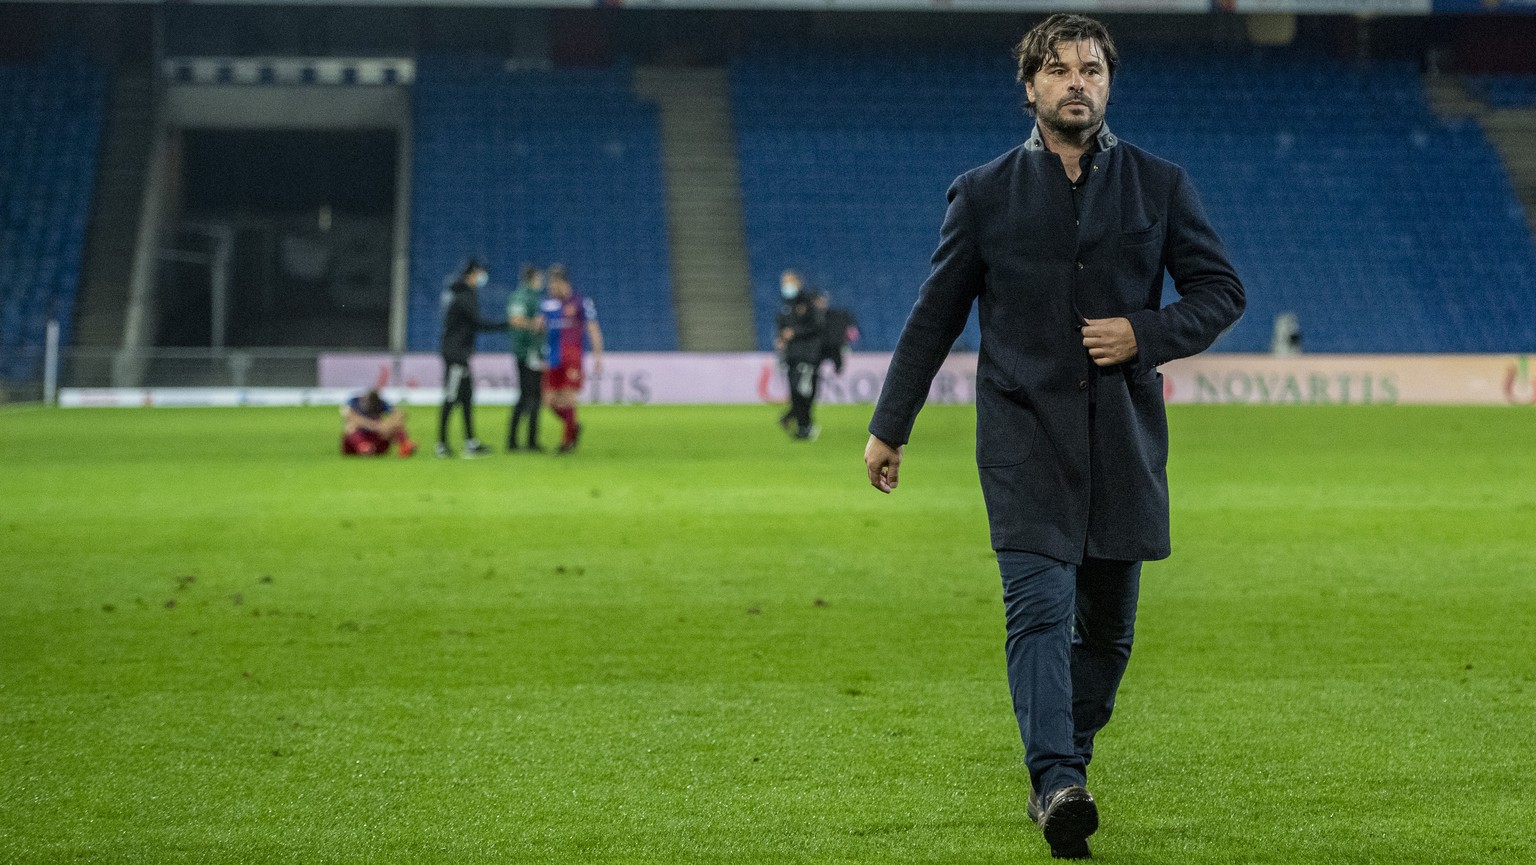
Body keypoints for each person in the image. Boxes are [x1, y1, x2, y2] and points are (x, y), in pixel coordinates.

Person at [863, 14, 1244, 860]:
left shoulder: (1160, 184)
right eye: (1060, 68)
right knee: (1038, 611)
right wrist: (890, 426)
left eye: (1093, 68)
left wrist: (1144, 331)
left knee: (1107, 634)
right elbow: (934, 319)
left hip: (1123, 442)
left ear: (1108, 83)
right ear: (1030, 87)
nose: (1079, 81)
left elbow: (1221, 292)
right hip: (1023, 438)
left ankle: (1060, 765)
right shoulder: (984, 192)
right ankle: (1058, 780)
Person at [437, 258, 505, 459]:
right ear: (473, 273)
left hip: (460, 353)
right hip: (455, 354)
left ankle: (470, 442)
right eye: (480, 273)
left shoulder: (460, 294)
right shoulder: (464, 296)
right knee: (451, 397)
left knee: (466, 397)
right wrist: (505, 325)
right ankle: (442, 444)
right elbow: (476, 322)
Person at [539, 264, 603, 454]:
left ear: (562, 282)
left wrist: (598, 355)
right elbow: (540, 327)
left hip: (572, 355)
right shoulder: (548, 303)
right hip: (552, 355)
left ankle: (566, 442)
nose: (551, 287)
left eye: (553, 283)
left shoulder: (580, 302)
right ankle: (573, 425)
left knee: (568, 397)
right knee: (548, 401)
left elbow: (592, 328)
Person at [774, 270, 825, 440]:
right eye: (784, 282)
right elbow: (781, 327)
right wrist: (781, 338)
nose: (786, 286)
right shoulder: (785, 306)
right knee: (796, 391)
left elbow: (817, 326)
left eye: (789, 282)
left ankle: (806, 425)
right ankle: (802, 426)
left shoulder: (808, 303)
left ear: (798, 283)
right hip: (791, 356)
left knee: (802, 390)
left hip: (807, 355)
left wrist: (794, 332)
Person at [506, 264, 547, 452]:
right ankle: (515, 441)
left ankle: (528, 441)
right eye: (539, 278)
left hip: (533, 352)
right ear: (531, 278)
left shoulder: (533, 297)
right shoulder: (521, 296)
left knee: (534, 396)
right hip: (526, 352)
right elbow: (515, 320)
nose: (542, 282)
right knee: (528, 396)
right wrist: (534, 325)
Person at [340, 388, 417, 457]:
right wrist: (371, 425)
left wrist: (386, 424)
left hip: (377, 437)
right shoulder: (354, 401)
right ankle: (363, 446)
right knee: (351, 426)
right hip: (358, 439)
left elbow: (400, 415)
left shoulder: (382, 403)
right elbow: (348, 415)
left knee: (395, 427)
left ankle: (405, 445)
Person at [815, 291, 859, 376]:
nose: (821, 304)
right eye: (819, 301)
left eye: (823, 301)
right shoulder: (810, 318)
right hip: (817, 350)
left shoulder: (837, 316)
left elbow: (853, 334)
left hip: (834, 349)